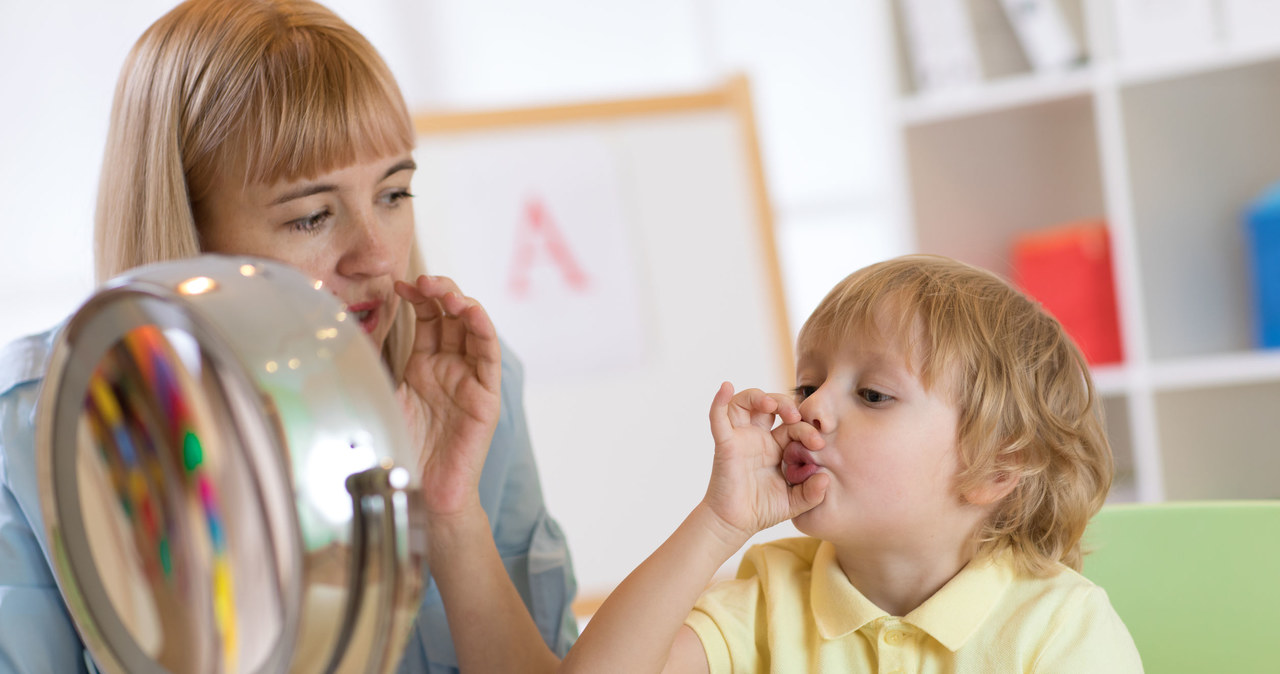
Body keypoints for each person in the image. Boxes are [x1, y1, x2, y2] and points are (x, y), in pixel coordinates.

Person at [0, 1, 576, 672]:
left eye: (392, 195)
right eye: (311, 217)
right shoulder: (32, 431)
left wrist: (452, 521)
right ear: (188, 230)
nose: (377, 258)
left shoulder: (471, 394)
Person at [561, 254, 1144, 672]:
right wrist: (718, 524)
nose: (809, 407)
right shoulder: (772, 594)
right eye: (807, 382)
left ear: (994, 468)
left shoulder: (1059, 628)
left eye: (872, 395)